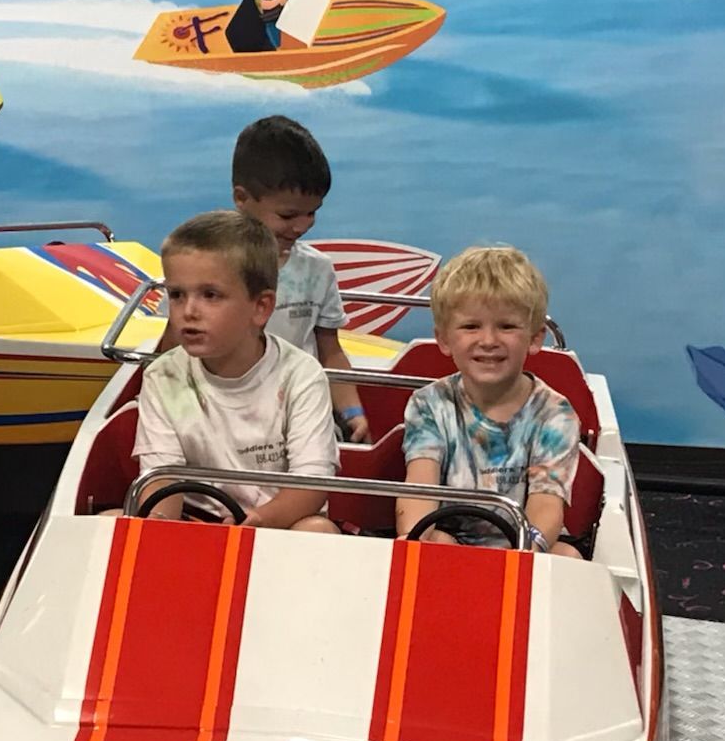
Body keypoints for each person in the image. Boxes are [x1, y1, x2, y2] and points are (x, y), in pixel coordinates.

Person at [133, 210, 339, 533]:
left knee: (318, 531)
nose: (189, 311)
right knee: (111, 523)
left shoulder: (301, 375)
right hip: (195, 525)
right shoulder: (162, 377)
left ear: (260, 308)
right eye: (177, 295)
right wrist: (158, 530)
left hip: (280, 525)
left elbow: (311, 485)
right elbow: (162, 480)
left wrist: (254, 524)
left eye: (210, 295)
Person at [394, 245, 582, 558]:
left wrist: (522, 551)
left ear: (535, 338)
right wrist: (416, 538)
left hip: (522, 546)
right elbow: (418, 491)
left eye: (506, 326)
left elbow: (546, 505)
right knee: (429, 543)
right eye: (471, 326)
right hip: (449, 545)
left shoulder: (554, 414)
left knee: (567, 557)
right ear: (443, 339)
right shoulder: (429, 404)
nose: (489, 341)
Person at [233, 115, 372, 443]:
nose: (302, 225)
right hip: (230, 419)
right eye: (287, 215)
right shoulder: (205, 265)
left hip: (302, 417)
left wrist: (352, 412)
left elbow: (331, 351)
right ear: (242, 198)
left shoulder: (318, 269)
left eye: (312, 212)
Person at [225, 0, 289, 53]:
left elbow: (280, 3)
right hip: (260, 28)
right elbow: (267, 5)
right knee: (272, 48)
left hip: (272, 25)